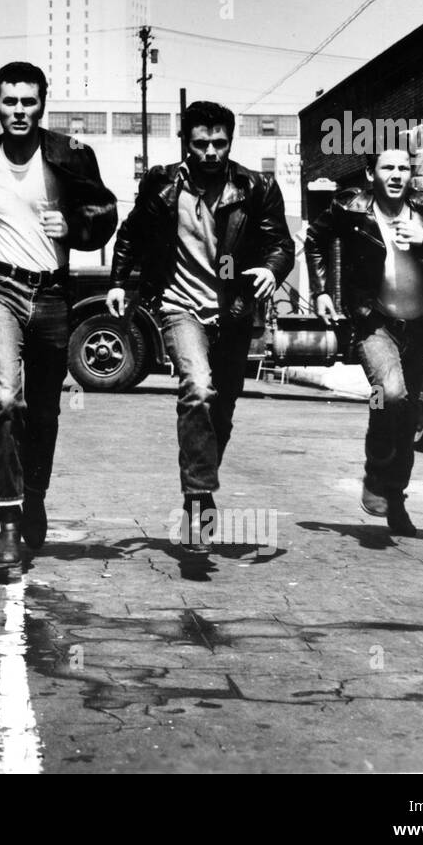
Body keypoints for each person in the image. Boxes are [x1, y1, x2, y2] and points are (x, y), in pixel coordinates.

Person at [0, 61, 118, 570]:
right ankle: (6, 518)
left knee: (43, 411)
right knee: (5, 401)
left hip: (53, 294)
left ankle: (35, 492)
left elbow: (105, 213)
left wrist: (74, 226)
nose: (19, 111)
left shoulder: (70, 154)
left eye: (29, 102)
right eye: (10, 102)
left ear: (43, 104)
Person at [107, 100, 292, 556]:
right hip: (179, 305)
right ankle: (197, 499)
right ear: (185, 143)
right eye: (200, 144)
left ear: (231, 141)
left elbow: (281, 242)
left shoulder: (256, 186)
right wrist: (118, 282)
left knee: (222, 411)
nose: (210, 152)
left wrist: (272, 268)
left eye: (220, 143)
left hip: (231, 310)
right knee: (199, 387)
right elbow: (131, 232)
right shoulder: (162, 183)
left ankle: (200, 485)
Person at [305, 147, 423, 536]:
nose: (398, 174)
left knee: (407, 412)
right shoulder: (352, 207)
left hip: (418, 326)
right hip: (373, 320)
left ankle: (395, 498)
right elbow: (315, 239)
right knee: (390, 393)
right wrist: (321, 291)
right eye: (388, 168)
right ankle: (375, 472)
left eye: (404, 167)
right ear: (371, 174)